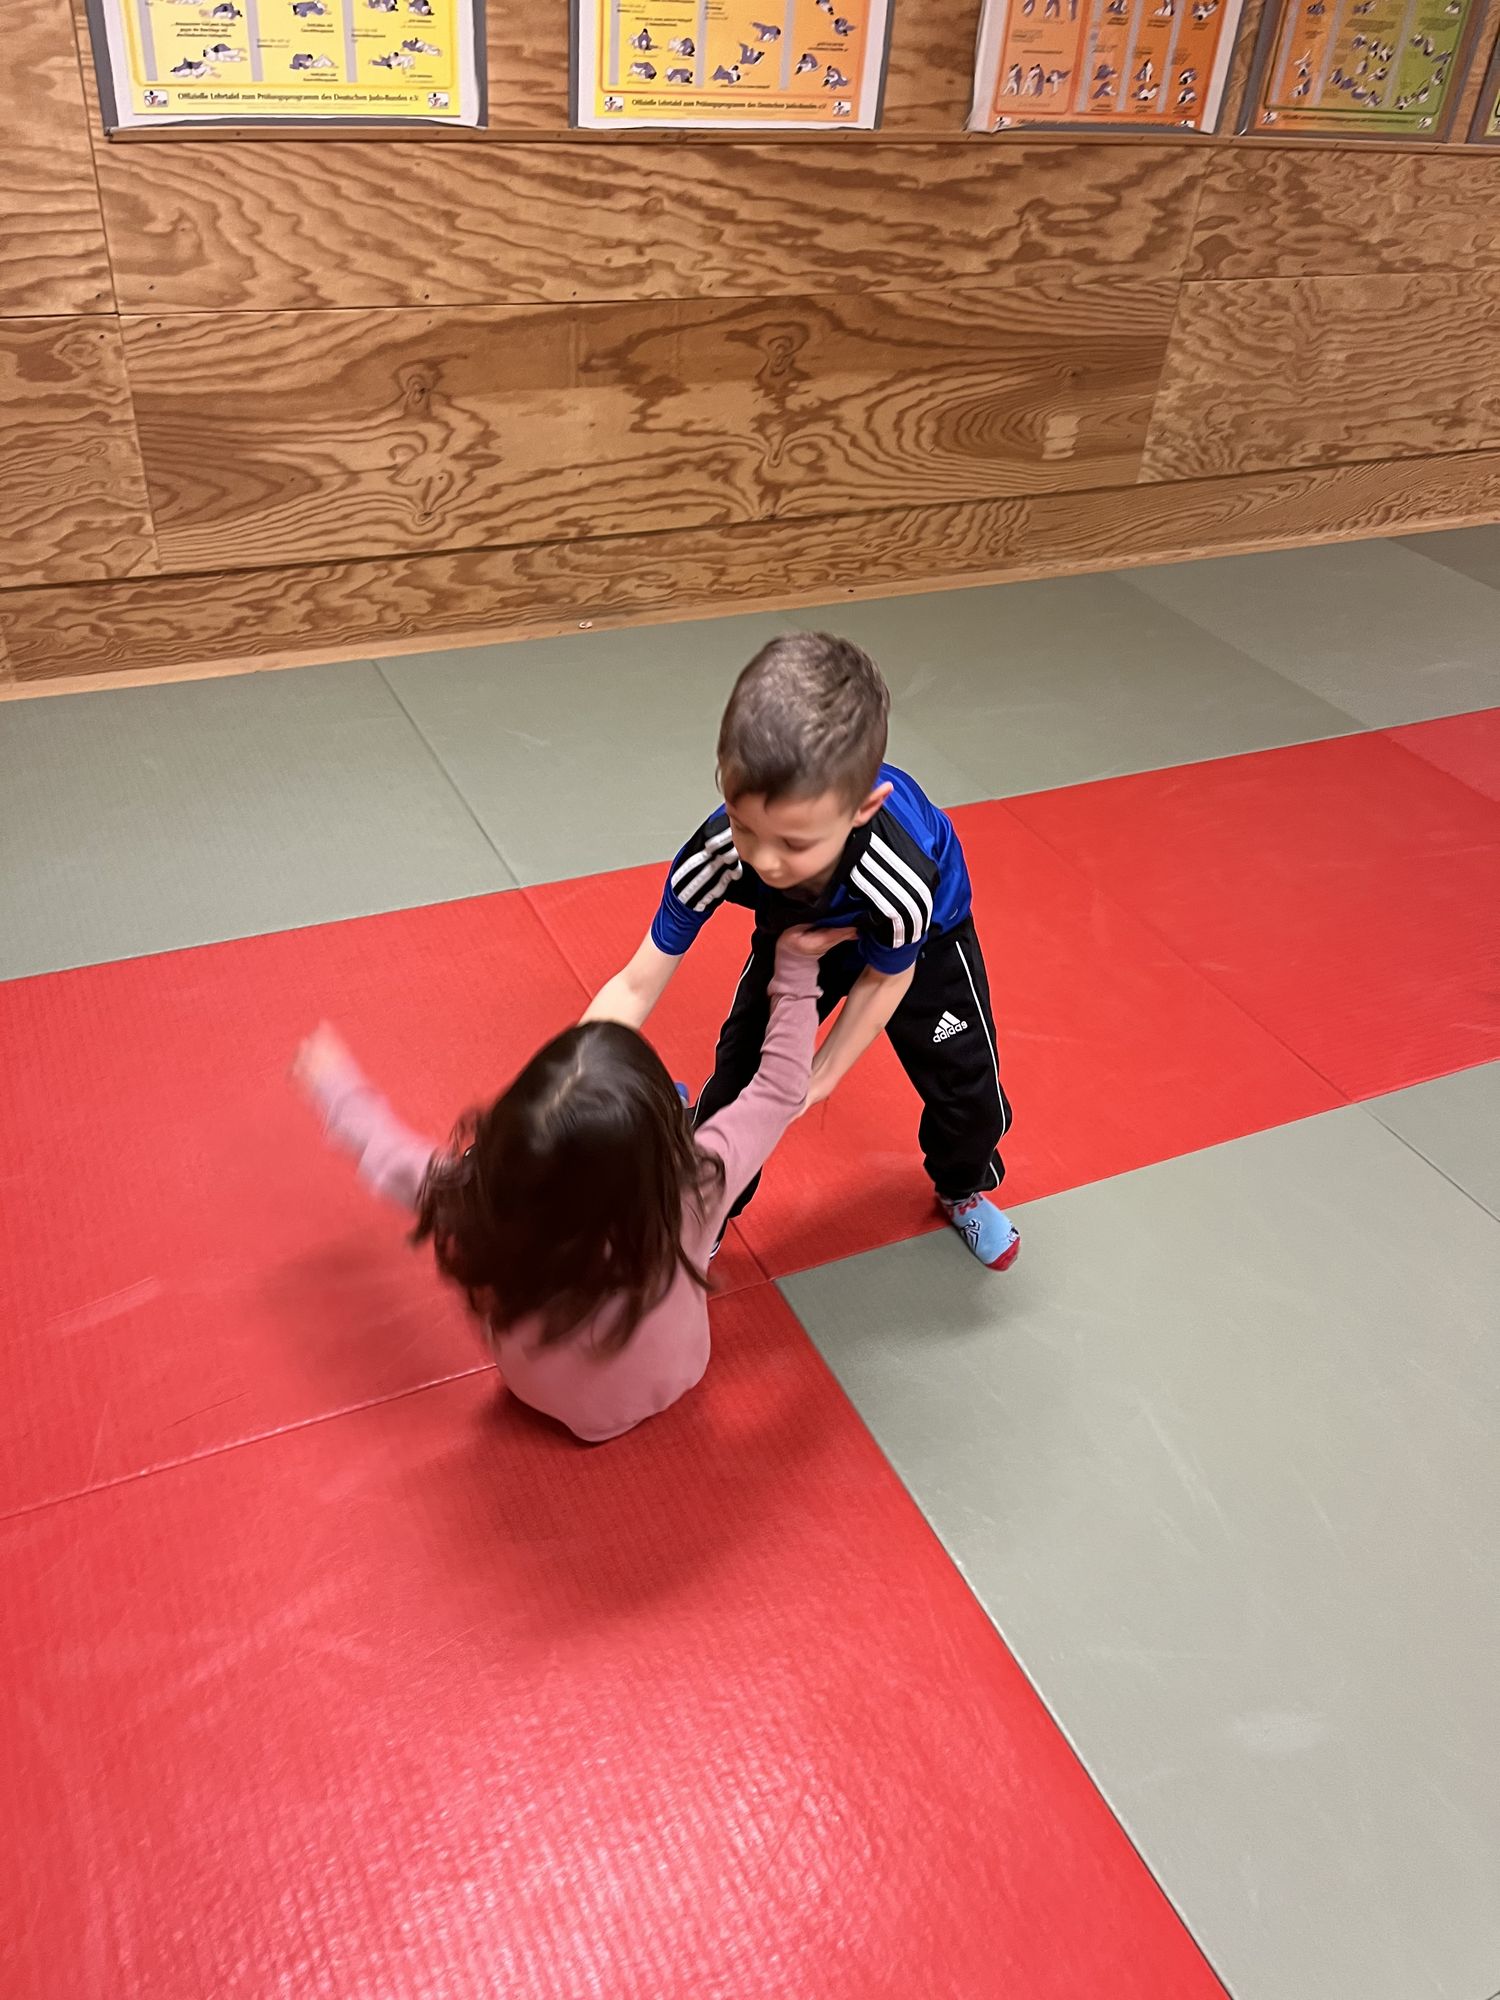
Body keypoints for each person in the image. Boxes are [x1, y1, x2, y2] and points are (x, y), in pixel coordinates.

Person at [291, 926, 845, 1443]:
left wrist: (337, 1090)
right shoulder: (698, 1184)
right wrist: (797, 967)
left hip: (536, 1392)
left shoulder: (485, 1194)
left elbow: (394, 1158)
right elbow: (778, 1088)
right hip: (675, 1377)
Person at [583, 633, 1019, 1270]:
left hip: (923, 944)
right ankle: (704, 1217)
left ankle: (961, 1187)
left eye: (792, 842)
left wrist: (817, 1078)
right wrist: (569, 1081)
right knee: (736, 1094)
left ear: (862, 809)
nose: (763, 860)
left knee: (969, 1097)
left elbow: (886, 977)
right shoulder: (718, 854)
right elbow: (633, 984)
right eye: (744, 825)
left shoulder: (898, 877)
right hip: (797, 940)